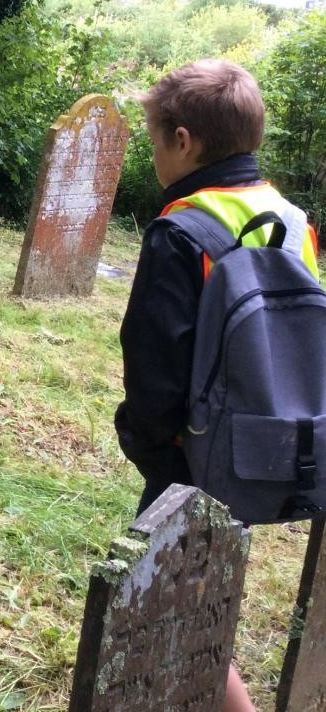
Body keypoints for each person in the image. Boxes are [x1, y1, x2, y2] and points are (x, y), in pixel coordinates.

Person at [115, 59, 320, 712]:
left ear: (183, 141)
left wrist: (153, 451)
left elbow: (155, 371)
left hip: (192, 454)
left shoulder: (181, 231)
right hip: (278, 443)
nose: (154, 158)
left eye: (153, 143)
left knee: (165, 593)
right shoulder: (289, 215)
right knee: (204, 580)